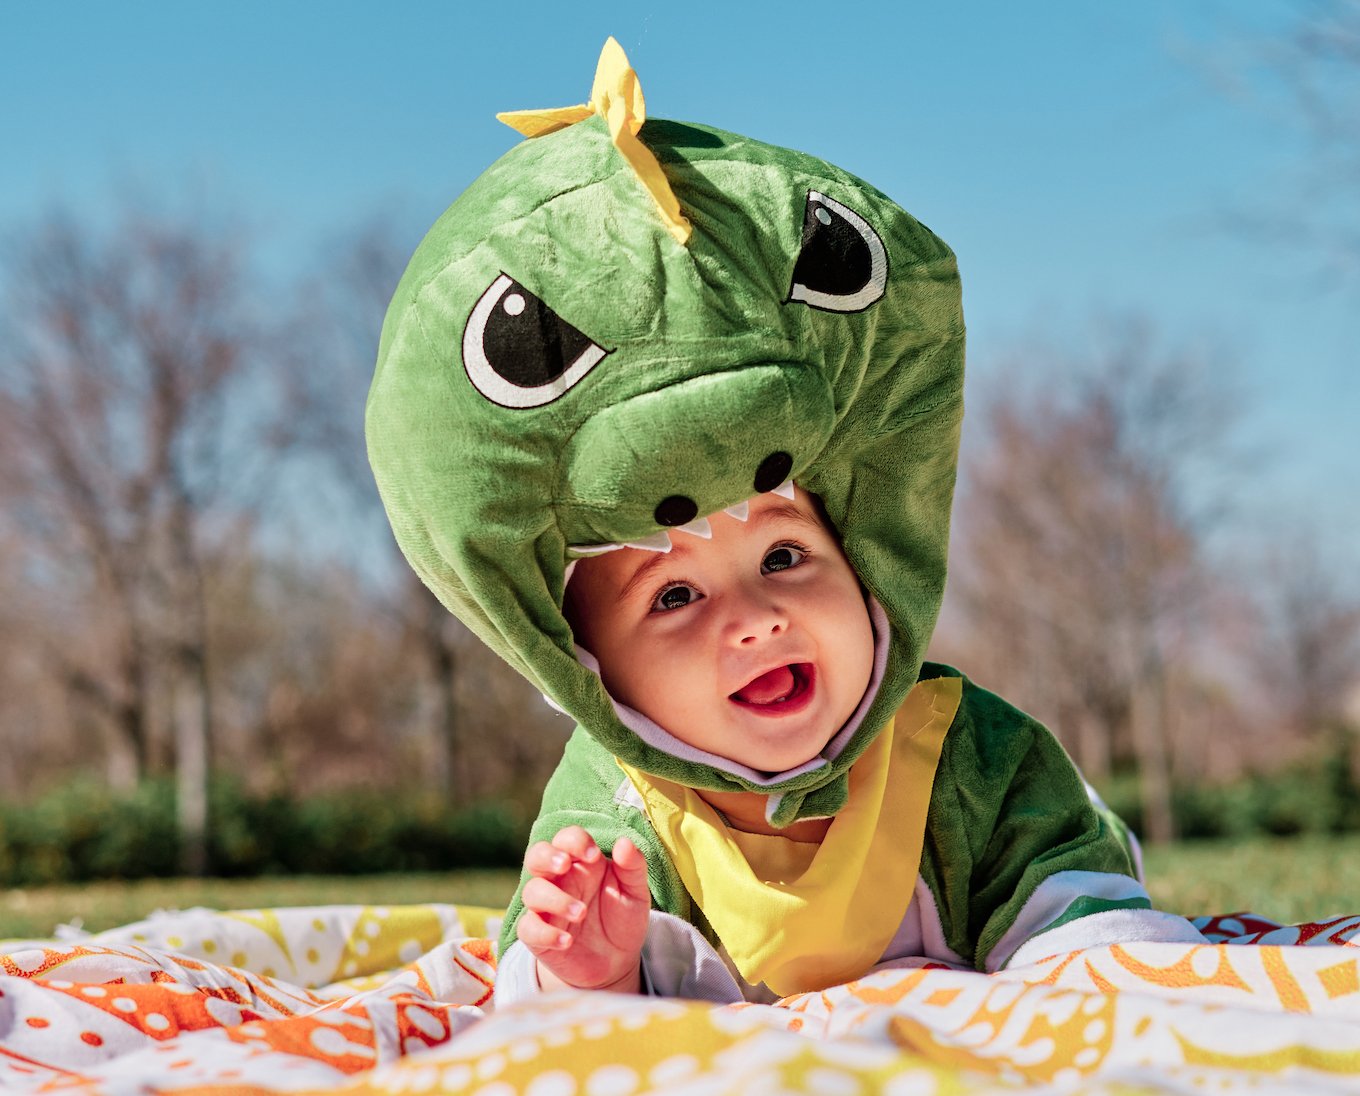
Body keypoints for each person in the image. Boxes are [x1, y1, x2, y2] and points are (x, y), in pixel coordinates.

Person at [364, 39, 1207, 1005]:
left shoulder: (958, 748)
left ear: (863, 562)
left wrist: (1093, 958)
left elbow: (1079, 905)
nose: (758, 618)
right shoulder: (618, 803)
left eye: (785, 553)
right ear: (590, 668)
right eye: (673, 593)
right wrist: (591, 962)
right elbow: (561, 1008)